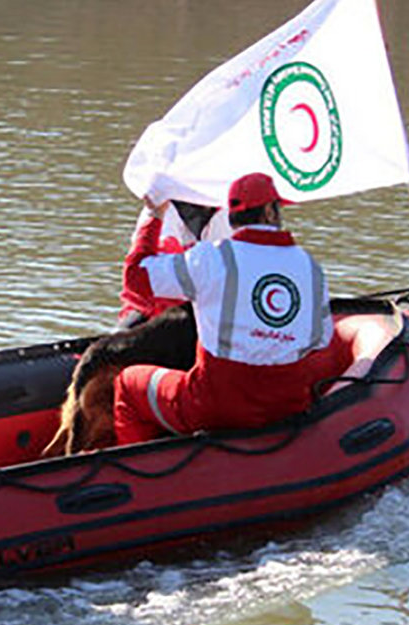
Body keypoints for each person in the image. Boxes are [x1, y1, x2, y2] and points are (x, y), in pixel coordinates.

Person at [112, 173, 348, 444]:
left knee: (127, 384)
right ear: (271, 212)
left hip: (214, 406)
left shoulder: (211, 258)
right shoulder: (310, 267)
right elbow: (319, 340)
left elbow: (136, 278)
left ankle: (140, 473)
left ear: (231, 216)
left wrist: (154, 216)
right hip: (287, 404)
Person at [118, 200, 231, 328]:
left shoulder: (231, 212)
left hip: (207, 312)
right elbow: (144, 279)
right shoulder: (161, 207)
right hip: (152, 312)